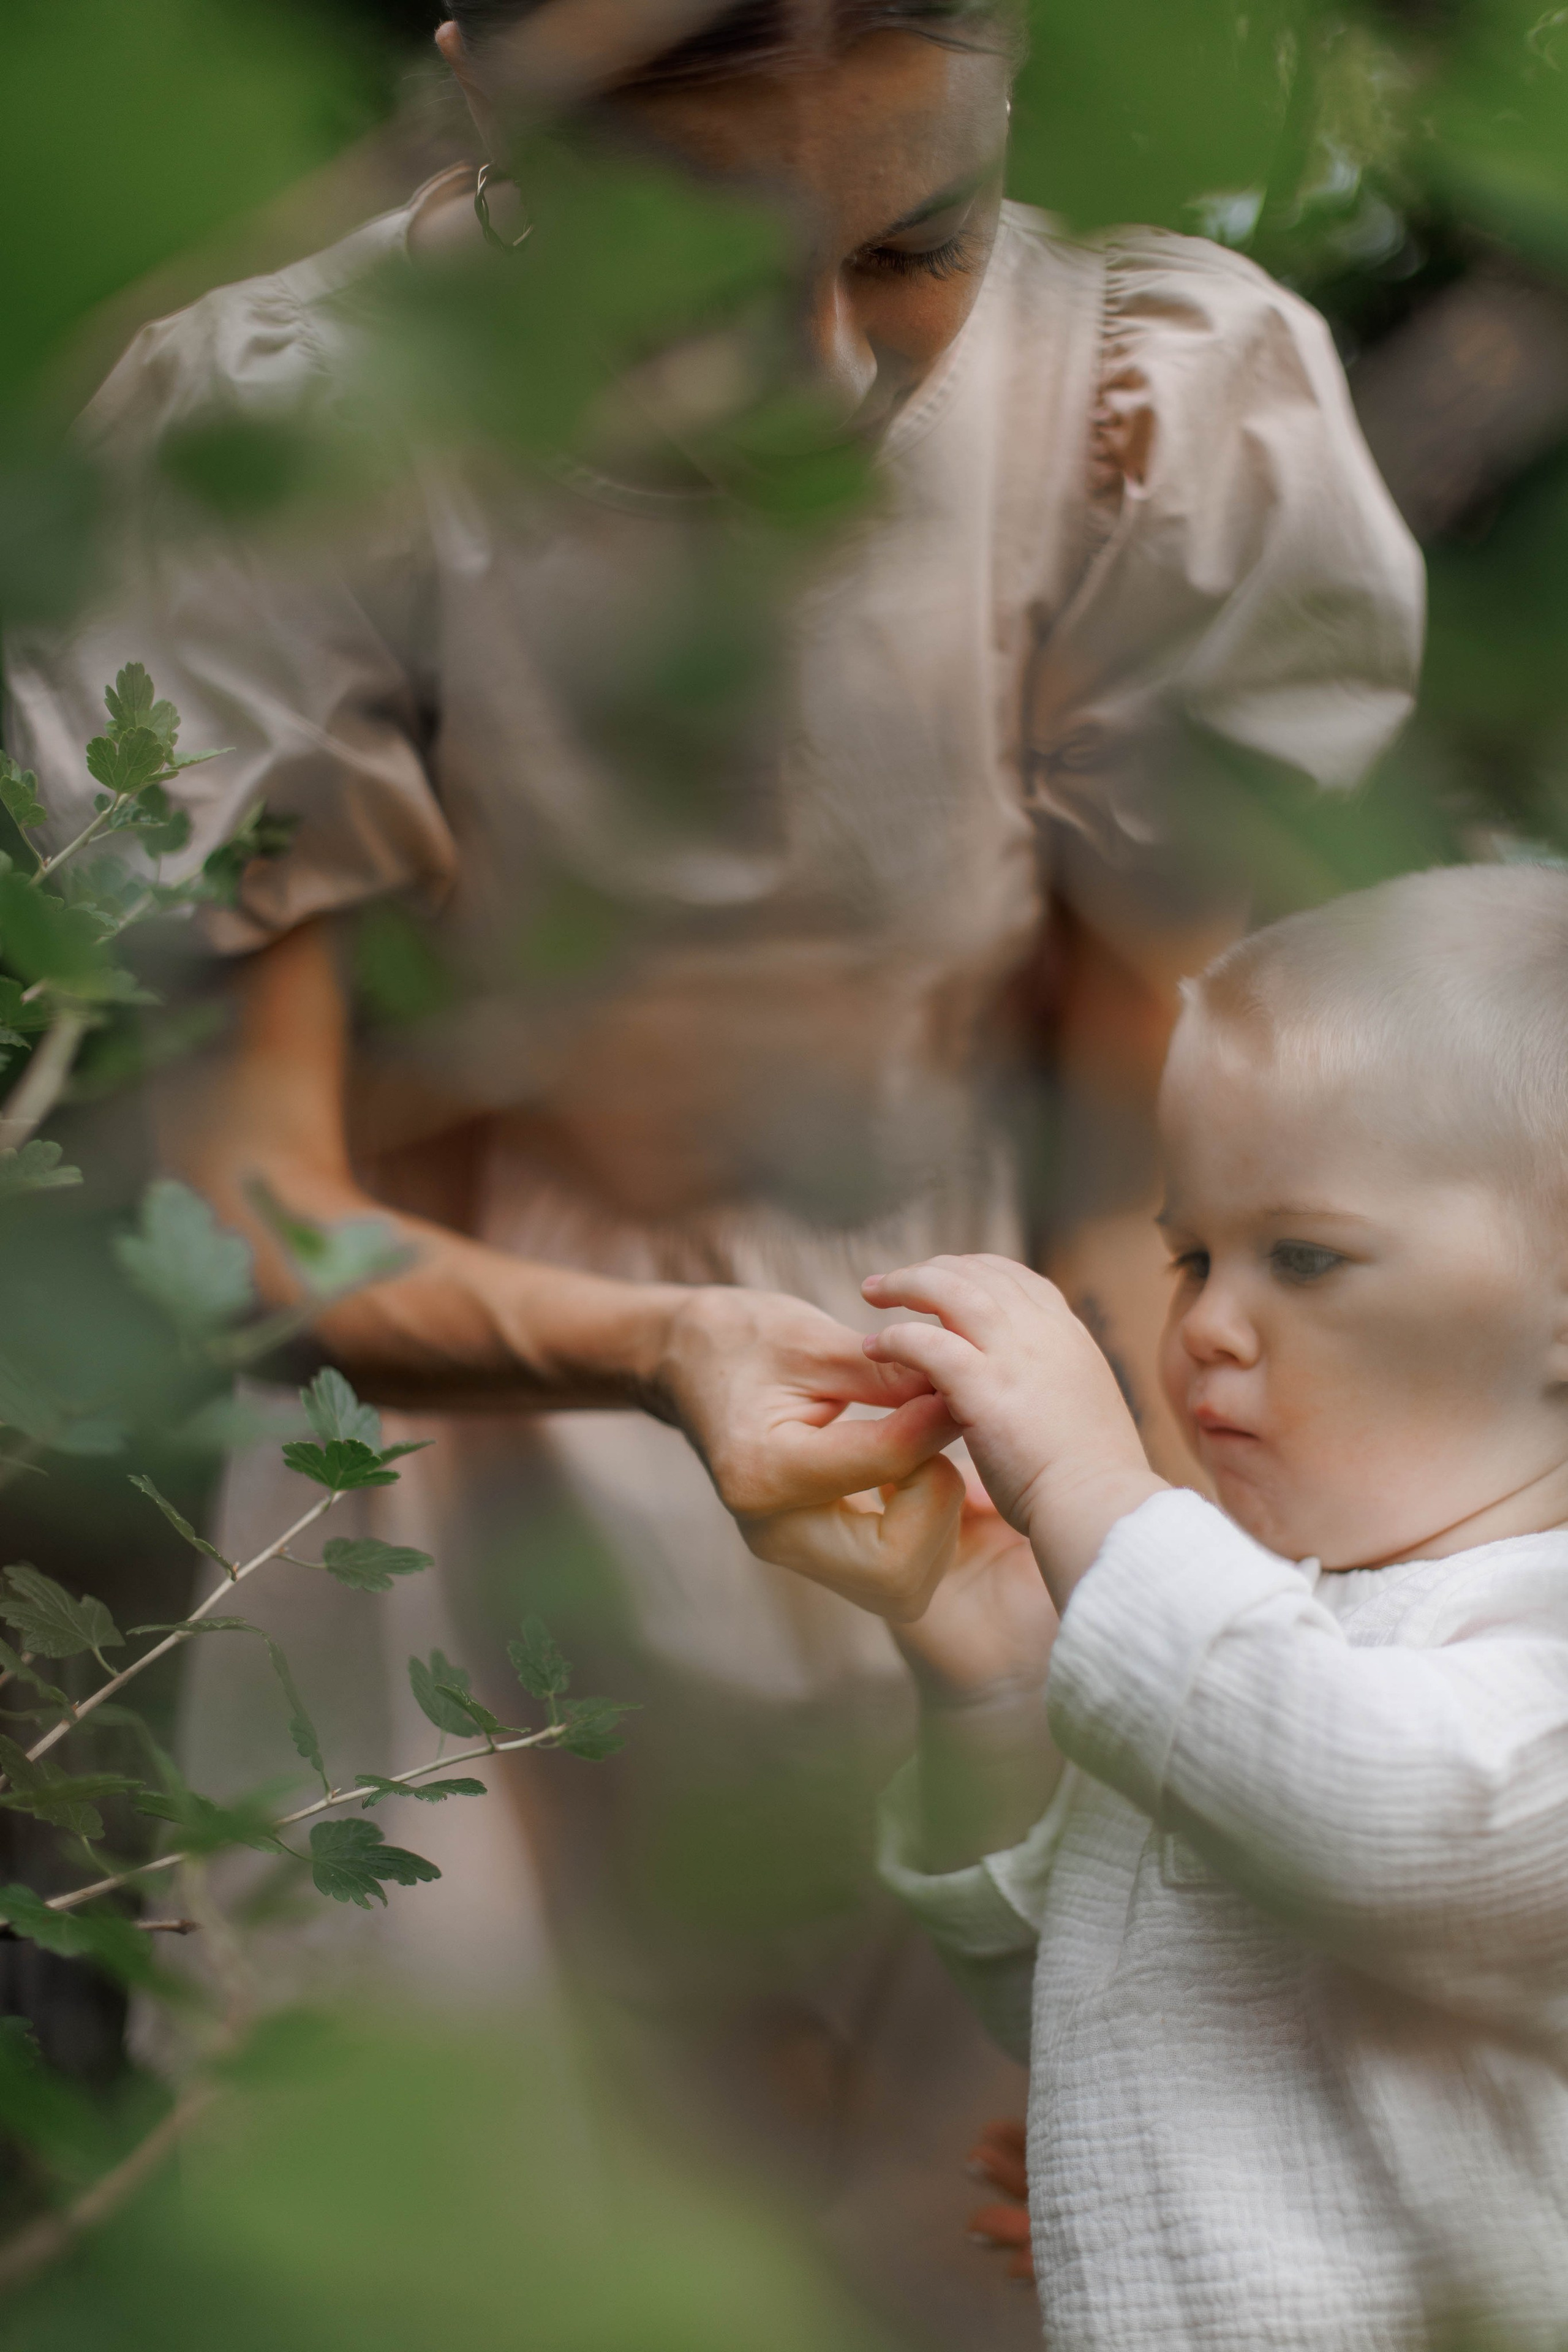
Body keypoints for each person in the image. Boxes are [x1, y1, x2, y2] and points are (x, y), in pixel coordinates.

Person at [2, 0, 1422, 2335]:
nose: (819, 376)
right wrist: (664, 1345)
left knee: (971, 2205)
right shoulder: (290, 442)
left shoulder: (1147, 413)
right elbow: (243, 1204)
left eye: (915, 248)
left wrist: (1140, 1705)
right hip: (442, 1472)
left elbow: (1147, 1174)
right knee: (478, 2226)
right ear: (479, 92)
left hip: (997, 1439)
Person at [746, 861, 1568, 2349]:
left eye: (1303, 1256)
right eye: (1190, 1254)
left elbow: (1390, 1818)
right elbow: (1058, 1993)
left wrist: (1092, 1491)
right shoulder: (1248, 1637)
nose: (1201, 1326)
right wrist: (995, 1679)